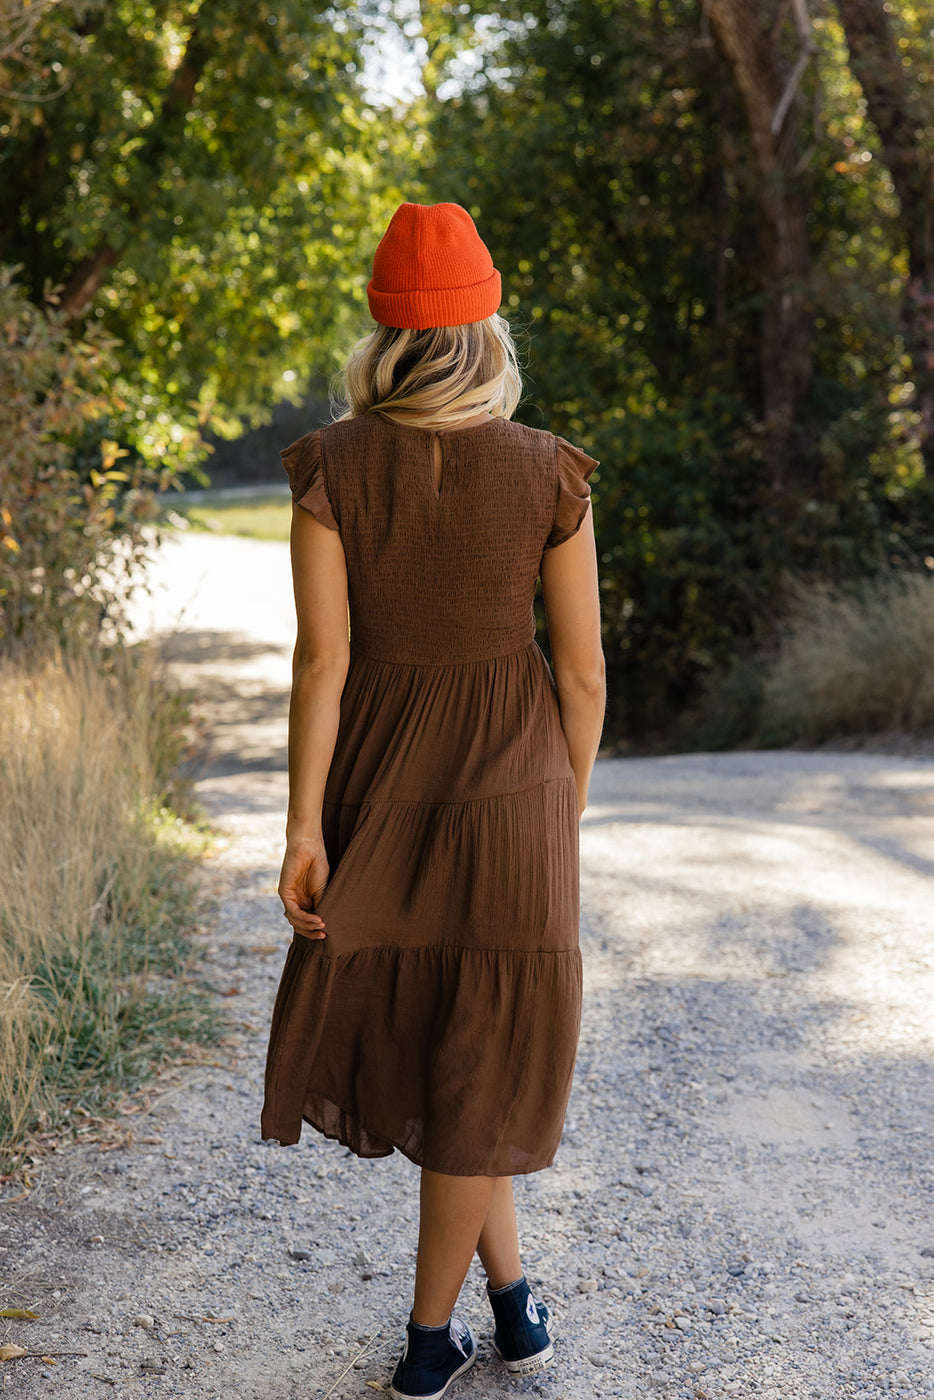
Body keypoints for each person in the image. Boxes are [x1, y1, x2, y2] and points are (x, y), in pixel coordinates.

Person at [261, 201, 605, 1400]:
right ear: (486, 328)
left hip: (380, 795)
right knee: (482, 1051)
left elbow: (322, 662)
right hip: (518, 793)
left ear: (383, 333)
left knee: (468, 1055)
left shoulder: (330, 466)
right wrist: (559, 812)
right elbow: (581, 673)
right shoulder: (550, 469)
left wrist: (305, 825)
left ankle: (508, 1308)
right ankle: (427, 1341)